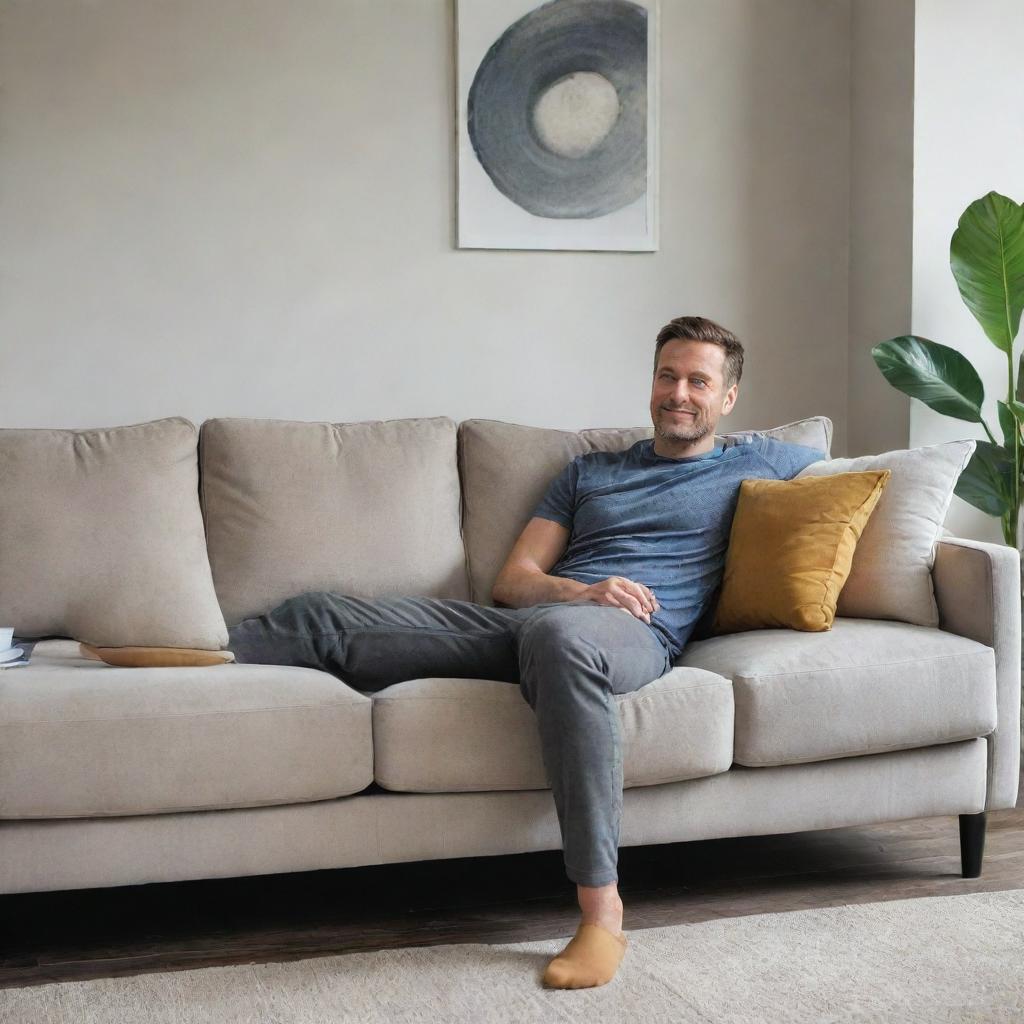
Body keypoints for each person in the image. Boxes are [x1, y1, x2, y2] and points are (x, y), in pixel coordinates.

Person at [226, 315, 826, 989]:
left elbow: (863, 481)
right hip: (550, 620)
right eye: (667, 375)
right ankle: (207, 651)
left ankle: (603, 914)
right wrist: (582, 590)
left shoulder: (760, 464)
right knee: (332, 613)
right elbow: (513, 584)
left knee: (558, 635)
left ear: (728, 398)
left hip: (635, 634)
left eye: (698, 380)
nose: (678, 393)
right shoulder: (589, 473)